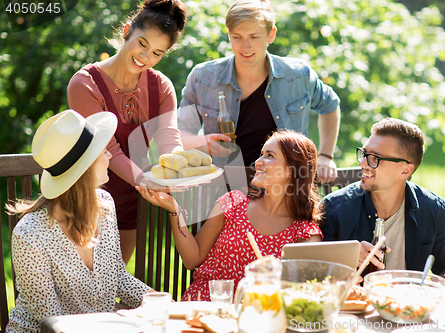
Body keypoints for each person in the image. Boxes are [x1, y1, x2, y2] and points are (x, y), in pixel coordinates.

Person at [5, 110, 153, 333]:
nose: (110, 156)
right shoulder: (29, 235)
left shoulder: (105, 204)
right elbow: (51, 321)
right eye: (103, 151)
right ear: (84, 169)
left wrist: (163, 304)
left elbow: (117, 276)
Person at [137, 130, 323, 301]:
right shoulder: (233, 202)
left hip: (254, 315)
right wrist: (174, 209)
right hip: (201, 306)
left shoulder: (305, 234)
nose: (258, 162)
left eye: (270, 156)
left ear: (292, 170)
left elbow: (297, 294)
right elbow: (192, 258)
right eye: (261, 154)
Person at [67, 0, 188, 263]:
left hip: (133, 197)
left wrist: (178, 170)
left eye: (157, 53)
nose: (145, 57)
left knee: (115, 276)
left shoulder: (161, 87)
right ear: (126, 31)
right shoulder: (85, 84)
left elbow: (168, 138)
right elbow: (107, 148)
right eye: (142, 43)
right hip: (88, 198)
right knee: (87, 287)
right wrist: (147, 180)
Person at [177, 0, 340, 184]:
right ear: (229, 35)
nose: (245, 46)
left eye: (254, 37)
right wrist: (204, 143)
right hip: (225, 192)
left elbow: (330, 105)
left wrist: (326, 156)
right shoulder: (202, 77)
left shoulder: (298, 75)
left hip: (287, 192)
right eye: (237, 37)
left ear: (271, 35)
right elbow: (180, 134)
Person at [321, 118, 445, 287]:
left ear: (405, 170)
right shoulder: (333, 209)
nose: (361, 163)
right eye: (364, 153)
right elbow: (310, 272)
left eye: (375, 158)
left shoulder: (433, 209)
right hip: (354, 309)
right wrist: (344, 257)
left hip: (411, 309)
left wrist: (443, 285)